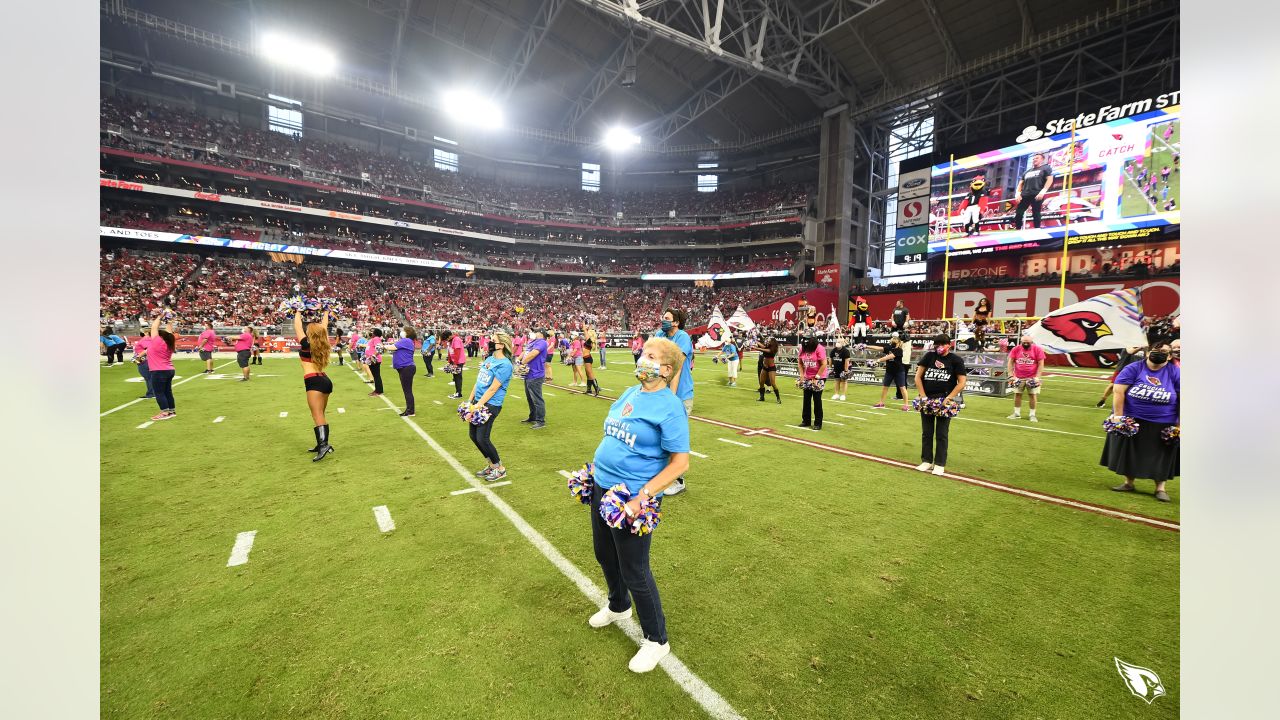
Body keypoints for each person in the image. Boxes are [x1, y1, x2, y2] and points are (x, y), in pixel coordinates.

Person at [586, 336, 690, 674]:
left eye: (649, 354)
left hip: (632, 499)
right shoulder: (631, 393)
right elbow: (613, 434)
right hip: (603, 487)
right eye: (642, 351)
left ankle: (657, 639)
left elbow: (679, 464)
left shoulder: (669, 406)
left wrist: (640, 497)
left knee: (635, 570)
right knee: (604, 554)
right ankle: (618, 606)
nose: (640, 357)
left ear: (665, 368)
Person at [1103, 340, 1179, 502]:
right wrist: (1118, 416)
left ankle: (1160, 488)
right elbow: (1118, 391)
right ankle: (1128, 483)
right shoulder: (1134, 368)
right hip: (1134, 418)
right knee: (1131, 453)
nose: (1159, 354)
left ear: (1170, 356)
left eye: (1164, 352)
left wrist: (1180, 424)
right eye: (1156, 350)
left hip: (1164, 421)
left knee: (1161, 455)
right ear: (1147, 352)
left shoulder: (1174, 372)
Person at [913, 334, 968, 476]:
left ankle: (939, 463)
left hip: (944, 401)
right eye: (937, 344)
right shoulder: (929, 357)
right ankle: (926, 460)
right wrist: (923, 396)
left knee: (942, 433)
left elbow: (962, 382)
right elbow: (918, 377)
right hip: (927, 400)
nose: (939, 347)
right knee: (927, 432)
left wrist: (949, 398)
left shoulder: (956, 360)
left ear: (949, 345)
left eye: (942, 344)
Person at [656, 308, 694, 495]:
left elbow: (676, 369)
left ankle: (678, 480)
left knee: (675, 438)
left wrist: (671, 396)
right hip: (659, 393)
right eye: (663, 317)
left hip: (680, 394)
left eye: (667, 318)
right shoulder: (659, 334)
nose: (663, 320)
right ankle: (661, 476)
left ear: (676, 322)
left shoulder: (683, 337)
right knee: (657, 436)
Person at [467, 332, 514, 481]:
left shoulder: (505, 364)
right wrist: (470, 402)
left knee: (483, 438)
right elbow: (479, 381)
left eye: (493, 341)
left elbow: (493, 388)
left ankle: (500, 468)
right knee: (473, 436)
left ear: (501, 345)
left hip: (490, 405)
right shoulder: (489, 358)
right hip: (478, 403)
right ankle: (492, 466)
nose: (490, 342)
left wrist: (478, 406)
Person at [294, 309, 335, 462]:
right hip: (324, 380)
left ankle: (324, 445)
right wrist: (326, 312)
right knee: (320, 414)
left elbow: (298, 326)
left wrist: (297, 310)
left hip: (313, 382)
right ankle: (321, 444)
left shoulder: (306, 344)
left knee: (317, 415)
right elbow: (323, 327)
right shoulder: (323, 343)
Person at [1006, 333, 1046, 422]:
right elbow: (1010, 362)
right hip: (1018, 377)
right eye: (1024, 342)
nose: (1026, 344)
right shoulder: (1016, 349)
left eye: (1028, 342)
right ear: (1021, 341)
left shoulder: (1037, 349)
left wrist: (1037, 377)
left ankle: (1032, 415)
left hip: (1032, 377)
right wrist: (1011, 375)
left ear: (1032, 342)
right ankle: (1016, 413)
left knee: (1032, 395)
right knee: (1017, 394)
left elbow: (1041, 364)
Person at [146, 312, 178, 421]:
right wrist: (169, 321)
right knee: (167, 391)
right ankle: (171, 411)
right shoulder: (169, 342)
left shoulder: (157, 341)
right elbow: (169, 331)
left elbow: (154, 327)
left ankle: (164, 412)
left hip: (159, 371)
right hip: (169, 369)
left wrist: (160, 316)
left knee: (159, 392)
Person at [1013, 153, 1054, 229]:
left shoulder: (1045, 168)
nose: (1034, 159)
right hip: (1025, 195)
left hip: (1036, 194)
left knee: (1036, 213)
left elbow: (1050, 180)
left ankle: (1037, 229)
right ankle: (1018, 229)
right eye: (1034, 158)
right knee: (1019, 213)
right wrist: (1017, 194)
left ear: (1042, 159)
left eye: (1037, 158)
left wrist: (1042, 192)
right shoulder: (1026, 172)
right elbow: (1020, 183)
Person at [797, 334, 829, 430]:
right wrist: (802, 375)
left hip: (820, 376)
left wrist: (817, 377)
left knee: (817, 398)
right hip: (807, 376)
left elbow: (824, 364)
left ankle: (818, 423)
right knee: (806, 398)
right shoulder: (802, 348)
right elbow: (800, 362)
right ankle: (806, 420)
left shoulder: (820, 348)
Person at [871, 334, 910, 410]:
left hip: (899, 371)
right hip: (889, 371)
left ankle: (906, 405)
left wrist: (878, 360)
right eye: (892, 341)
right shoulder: (889, 348)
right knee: (885, 387)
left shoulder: (899, 350)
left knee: (902, 387)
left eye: (894, 342)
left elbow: (889, 356)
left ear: (898, 343)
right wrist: (866, 346)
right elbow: (879, 348)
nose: (892, 343)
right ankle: (881, 403)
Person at [519, 329, 548, 429]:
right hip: (528, 373)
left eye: (536, 331)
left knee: (537, 398)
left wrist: (522, 363)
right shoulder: (532, 342)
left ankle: (540, 421)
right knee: (530, 398)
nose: (534, 333)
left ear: (541, 333)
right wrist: (518, 361)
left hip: (536, 374)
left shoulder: (542, 342)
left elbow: (533, 354)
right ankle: (533, 417)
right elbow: (525, 351)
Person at [392, 326, 418, 417]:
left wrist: (381, 346)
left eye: (403, 330)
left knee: (407, 390)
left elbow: (393, 347)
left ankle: (410, 411)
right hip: (406, 367)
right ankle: (409, 409)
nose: (402, 332)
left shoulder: (406, 340)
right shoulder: (408, 341)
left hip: (406, 367)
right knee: (407, 390)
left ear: (408, 332)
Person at [754, 336, 782, 403]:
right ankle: (762, 397)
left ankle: (778, 398)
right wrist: (756, 341)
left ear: (772, 342)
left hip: (771, 368)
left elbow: (764, 350)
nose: (767, 341)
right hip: (765, 367)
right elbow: (763, 347)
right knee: (761, 382)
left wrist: (756, 348)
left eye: (769, 340)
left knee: (773, 383)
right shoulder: (767, 347)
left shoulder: (772, 349)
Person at [363, 328, 386, 396]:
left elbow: (379, 348)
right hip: (371, 360)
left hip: (374, 360)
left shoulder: (376, 338)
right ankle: (378, 390)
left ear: (375, 333)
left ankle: (378, 391)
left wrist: (373, 356)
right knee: (376, 376)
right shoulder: (373, 339)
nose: (371, 333)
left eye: (372, 332)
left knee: (376, 376)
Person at [132, 332, 155, 400]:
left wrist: (137, 359)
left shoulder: (146, 339)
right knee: (150, 377)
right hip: (149, 360)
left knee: (148, 377)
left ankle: (151, 393)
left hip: (144, 360)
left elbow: (147, 349)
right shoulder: (152, 339)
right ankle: (153, 392)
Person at [446, 329, 467, 399]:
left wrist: (455, 363)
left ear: (449, 336)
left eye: (447, 337)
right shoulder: (451, 341)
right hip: (454, 361)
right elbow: (450, 351)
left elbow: (457, 351)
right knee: (455, 377)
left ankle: (459, 393)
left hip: (458, 361)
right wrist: (449, 361)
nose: (447, 339)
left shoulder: (456, 339)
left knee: (458, 377)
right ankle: (457, 392)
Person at [829, 336, 851, 401]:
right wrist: (830, 367)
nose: (837, 343)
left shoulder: (845, 351)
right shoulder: (834, 350)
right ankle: (836, 394)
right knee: (836, 381)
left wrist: (846, 370)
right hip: (836, 368)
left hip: (843, 369)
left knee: (844, 381)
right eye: (837, 342)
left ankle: (843, 395)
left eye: (839, 342)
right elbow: (830, 358)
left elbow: (847, 361)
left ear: (842, 343)